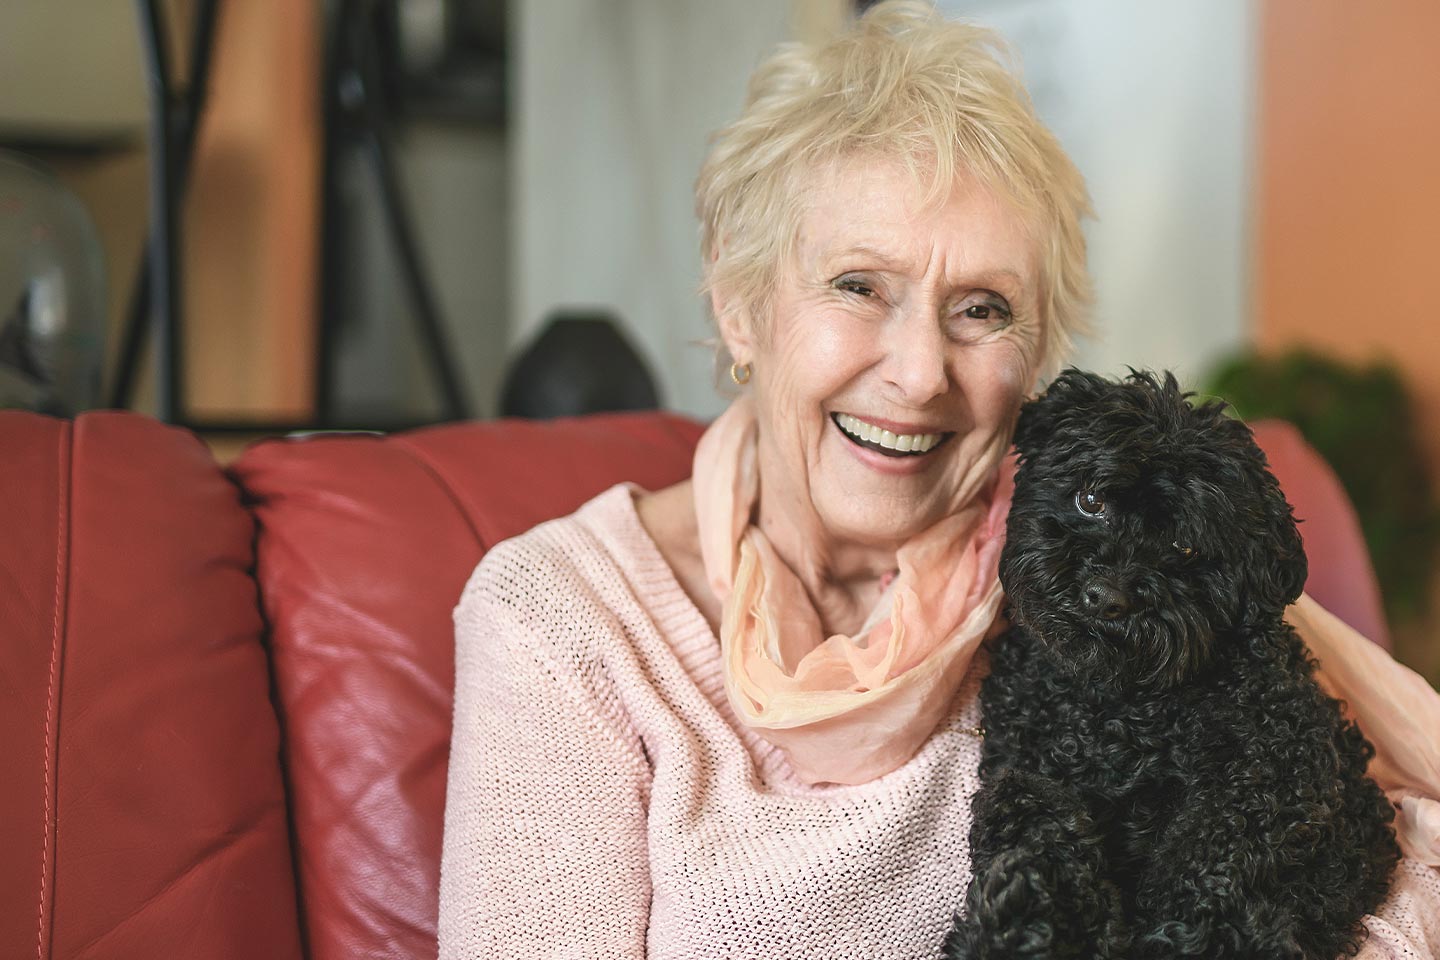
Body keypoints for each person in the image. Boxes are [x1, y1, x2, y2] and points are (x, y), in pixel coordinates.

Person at [438, 3, 1440, 956]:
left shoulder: (1108, 575)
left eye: (981, 309)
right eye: (858, 286)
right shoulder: (566, 624)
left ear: (1036, 355)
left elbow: (1399, 851)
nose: (919, 374)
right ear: (743, 307)